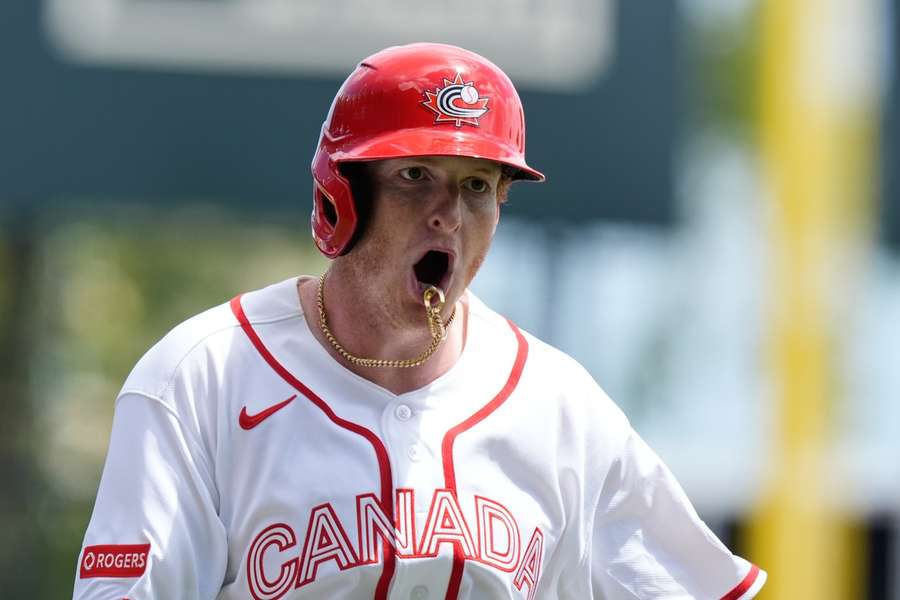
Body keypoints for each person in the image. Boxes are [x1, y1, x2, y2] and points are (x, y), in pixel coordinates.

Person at [73, 43, 766, 599]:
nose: (449, 214)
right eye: (415, 176)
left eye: (476, 187)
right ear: (343, 194)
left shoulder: (559, 406)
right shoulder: (202, 377)